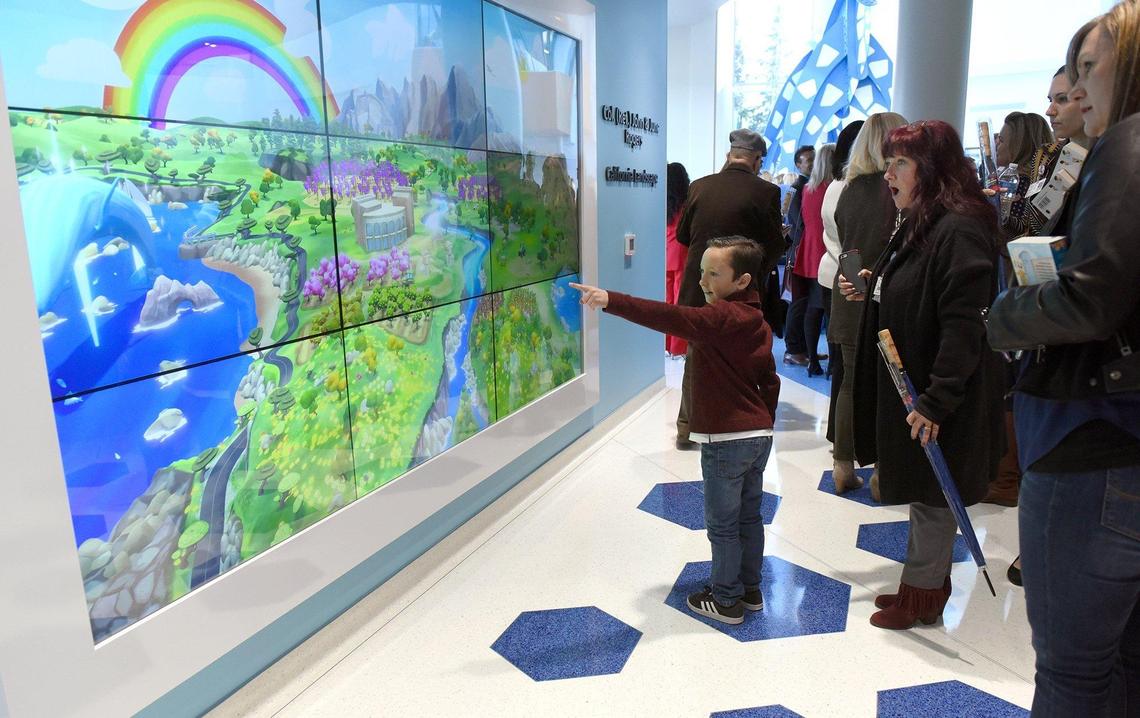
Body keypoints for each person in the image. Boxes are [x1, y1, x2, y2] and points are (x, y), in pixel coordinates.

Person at [987, 3, 1140, 713]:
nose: (1075, 92)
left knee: (1074, 674)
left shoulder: (1126, 146)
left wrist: (1004, 317)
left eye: (1087, 68)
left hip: (1092, 440)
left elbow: (1090, 297)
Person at [843, 120, 1004, 630]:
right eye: (888, 161)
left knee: (936, 493)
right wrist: (876, 284)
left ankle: (923, 597)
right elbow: (923, 288)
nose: (888, 173)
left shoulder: (958, 227)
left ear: (931, 170)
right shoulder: (924, 219)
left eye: (901, 163)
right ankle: (925, 583)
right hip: (922, 385)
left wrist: (936, 400)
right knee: (924, 489)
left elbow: (964, 324)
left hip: (941, 389)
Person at [571, 237, 780, 625]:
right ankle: (750, 590)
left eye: (713, 274)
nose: (702, 281)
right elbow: (770, 382)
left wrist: (610, 300)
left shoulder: (721, 319)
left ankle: (726, 600)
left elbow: (669, 316)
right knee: (749, 518)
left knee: (722, 525)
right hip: (758, 437)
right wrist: (761, 421)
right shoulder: (758, 322)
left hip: (726, 441)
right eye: (701, 271)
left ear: (742, 280)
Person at [674, 129, 785, 450]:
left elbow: (683, 237)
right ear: (757, 159)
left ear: (729, 155)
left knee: (697, 354)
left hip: (701, 288)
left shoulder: (699, 187)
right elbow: (774, 246)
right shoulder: (766, 192)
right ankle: (733, 424)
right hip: (740, 292)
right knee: (742, 357)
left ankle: (685, 427)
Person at [829, 112, 908, 497]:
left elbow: (845, 238)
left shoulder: (849, 189)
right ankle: (881, 473)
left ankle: (842, 464)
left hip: (845, 292)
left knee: (848, 381)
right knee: (887, 387)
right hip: (882, 294)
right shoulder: (896, 191)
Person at [819, 121, 864, 448]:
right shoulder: (849, 186)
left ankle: (841, 435)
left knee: (841, 362)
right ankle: (843, 438)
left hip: (834, 273)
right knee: (845, 363)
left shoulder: (837, 184)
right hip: (845, 277)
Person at [788, 143, 835, 377]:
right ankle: (832, 363)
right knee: (830, 309)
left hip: (809, 251)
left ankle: (812, 359)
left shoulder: (808, 189)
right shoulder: (833, 188)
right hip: (828, 250)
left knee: (812, 308)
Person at [995, 111, 1054, 239]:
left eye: (1001, 140)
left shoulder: (1020, 183)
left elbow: (1019, 232)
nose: (996, 144)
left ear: (1019, 145)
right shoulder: (1038, 180)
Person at [783, 144, 816, 366]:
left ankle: (802, 348)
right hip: (800, 253)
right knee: (799, 302)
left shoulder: (806, 187)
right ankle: (794, 349)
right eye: (808, 160)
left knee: (805, 302)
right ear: (798, 164)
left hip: (804, 251)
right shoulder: (798, 189)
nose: (813, 164)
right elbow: (797, 224)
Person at [665, 162, 691, 357]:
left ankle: (664, 345)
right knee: (680, 302)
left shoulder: (662, 202)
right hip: (682, 253)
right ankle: (677, 347)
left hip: (664, 253)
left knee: (665, 301)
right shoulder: (687, 203)